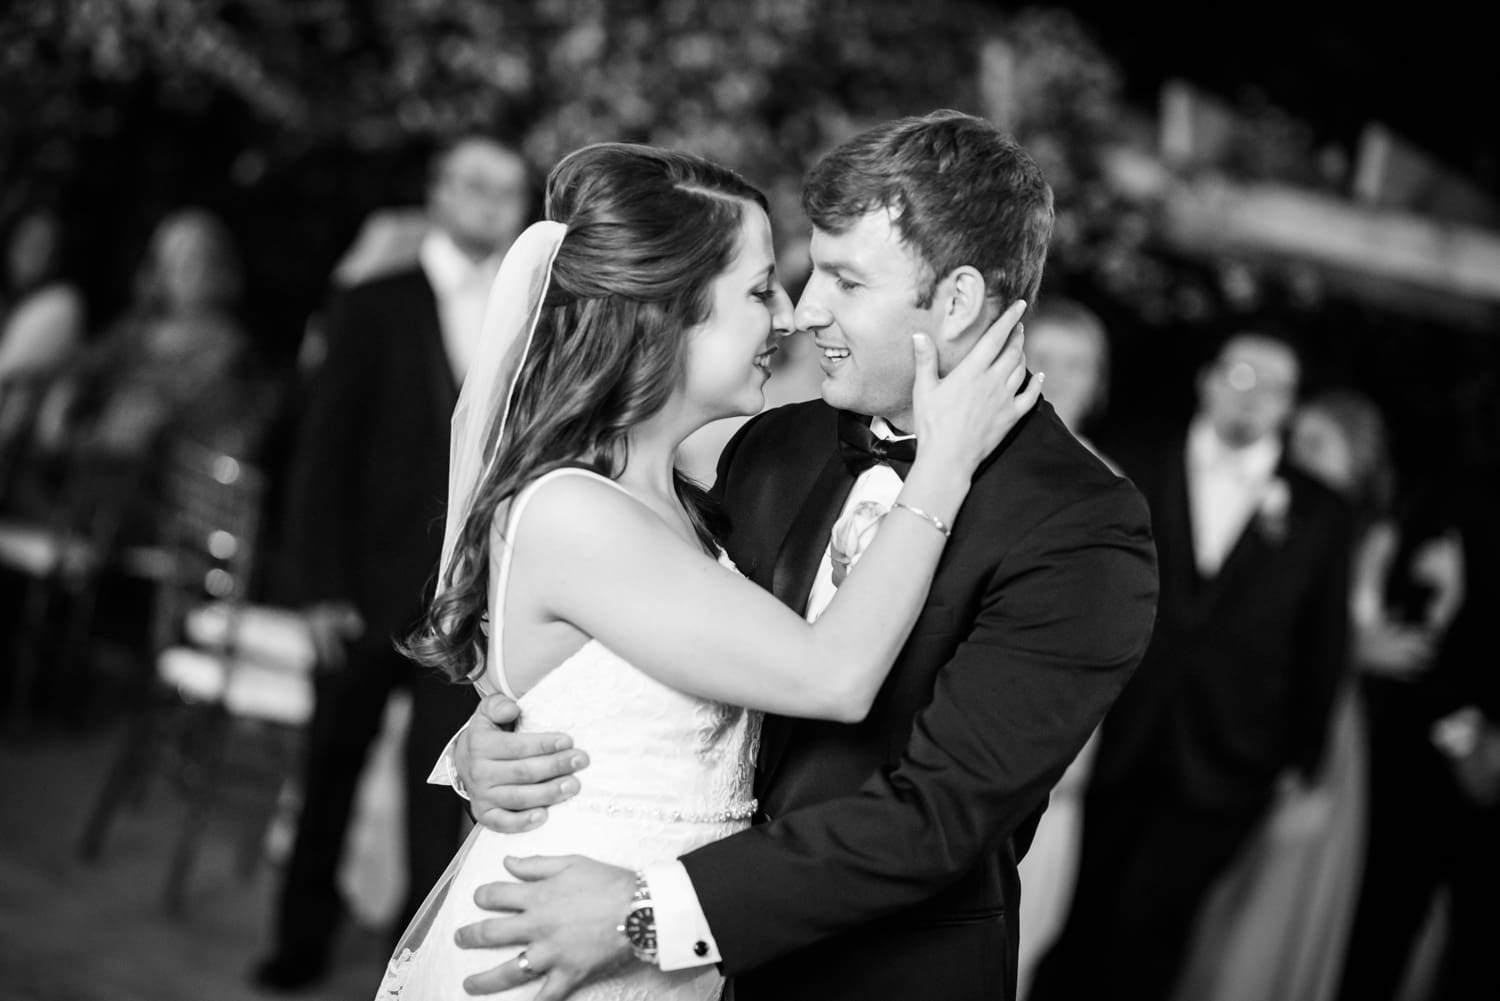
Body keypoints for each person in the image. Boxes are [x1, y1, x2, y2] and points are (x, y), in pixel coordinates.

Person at [443, 110, 1159, 1001]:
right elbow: (625, 624)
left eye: (844, 280)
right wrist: (504, 729)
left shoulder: (1083, 526)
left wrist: (648, 911)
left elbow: (935, 815)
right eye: (802, 272)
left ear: (960, 299)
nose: (804, 308)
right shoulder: (779, 445)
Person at [251, 134, 531, 991]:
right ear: (439, 191)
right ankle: (298, 945)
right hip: (363, 591)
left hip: (466, 598)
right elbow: (320, 454)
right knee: (329, 767)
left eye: (508, 191)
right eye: (476, 186)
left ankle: (406, 966)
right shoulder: (371, 302)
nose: (492, 204)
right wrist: (320, 586)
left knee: (436, 792)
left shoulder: (528, 314)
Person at [1030, 328, 1352, 1001]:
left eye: (1276, 389)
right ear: (1207, 380)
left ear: (1291, 407)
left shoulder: (1322, 512)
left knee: (1153, 930)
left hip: (1231, 762)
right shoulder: (1135, 461)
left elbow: (1322, 644)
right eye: (1241, 377)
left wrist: (1301, 761)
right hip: (1112, 737)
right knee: (1072, 918)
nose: (1255, 398)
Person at [1011, 295, 1116, 999]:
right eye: (1044, 358)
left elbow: (1108, 644)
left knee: (1016, 935)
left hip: (1051, 738)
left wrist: (1077, 755)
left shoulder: (1112, 490)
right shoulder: (963, 457)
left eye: (1079, 364)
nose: (1060, 377)